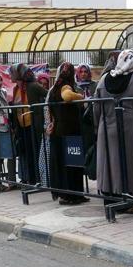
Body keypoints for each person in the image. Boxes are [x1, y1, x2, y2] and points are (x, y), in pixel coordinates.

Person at [93, 49, 133, 204]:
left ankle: (109, 199)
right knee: (126, 162)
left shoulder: (103, 80)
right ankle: (126, 199)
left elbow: (96, 108)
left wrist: (98, 127)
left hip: (106, 127)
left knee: (108, 163)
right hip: (127, 128)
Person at [43, 62, 88, 204]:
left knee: (62, 165)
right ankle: (73, 195)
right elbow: (67, 96)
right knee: (73, 165)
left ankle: (65, 194)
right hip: (70, 131)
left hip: (58, 133)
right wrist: (82, 97)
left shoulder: (54, 88)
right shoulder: (66, 86)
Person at [10, 63, 47, 184]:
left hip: (33, 126)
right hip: (22, 127)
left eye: (12, 72)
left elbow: (48, 96)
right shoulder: (16, 89)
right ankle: (30, 179)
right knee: (26, 155)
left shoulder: (33, 86)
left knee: (35, 153)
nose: (10, 74)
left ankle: (38, 179)